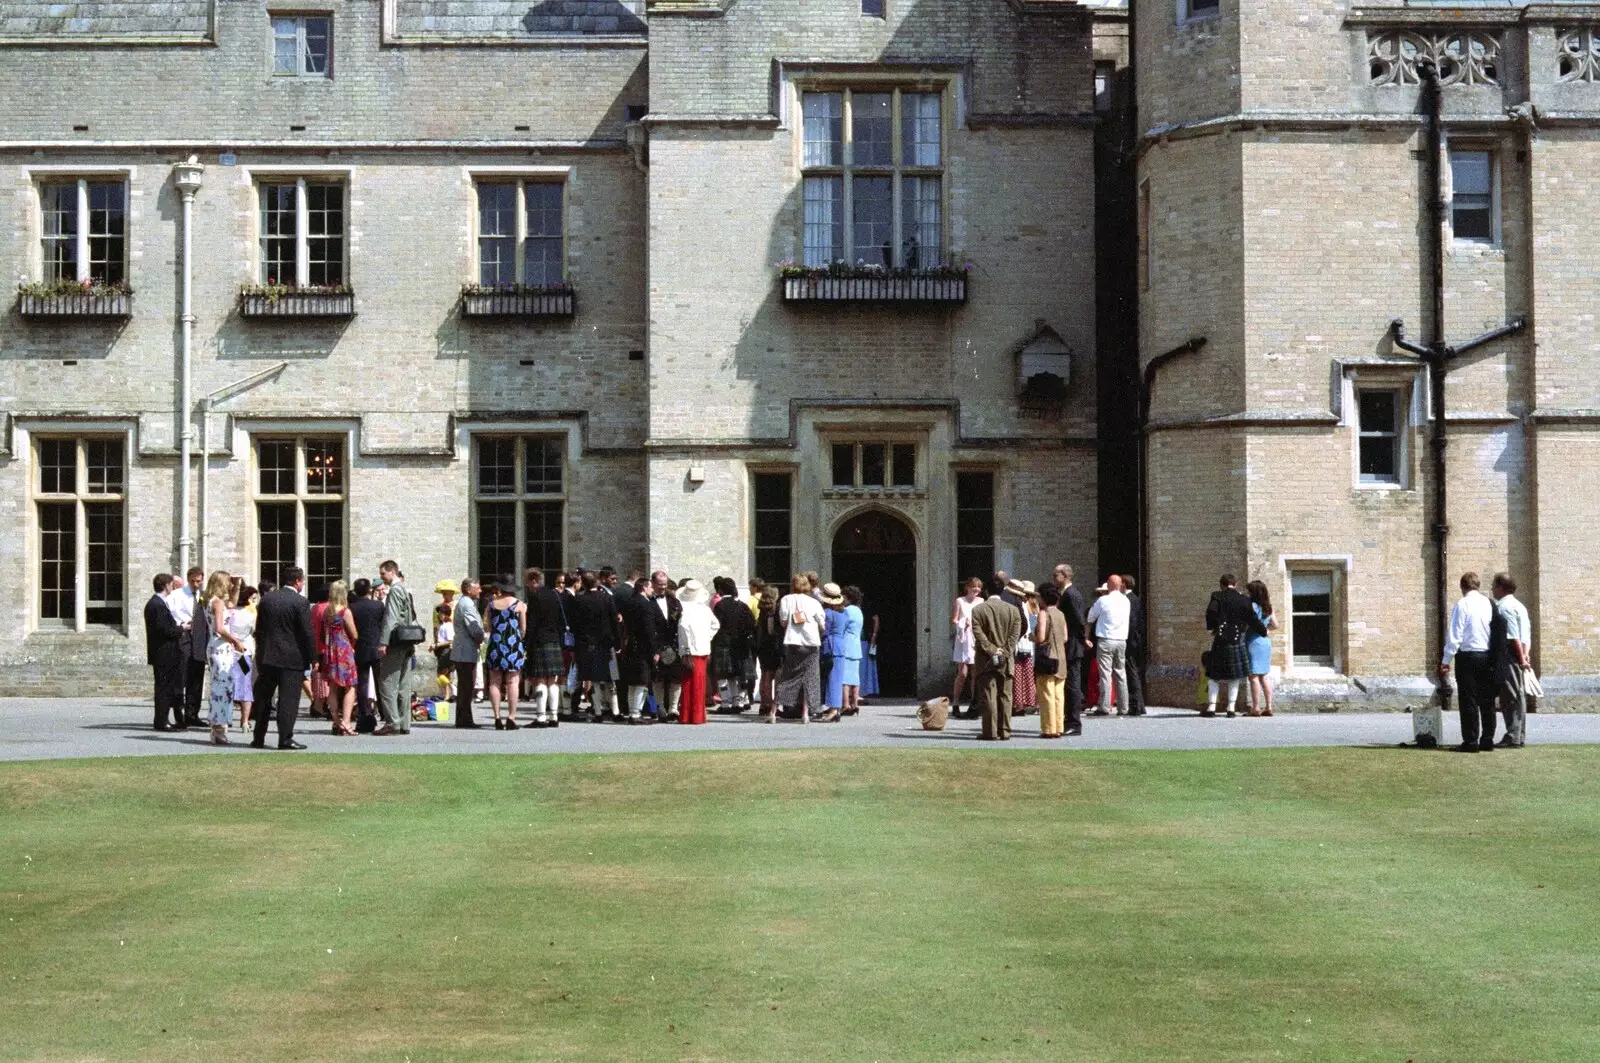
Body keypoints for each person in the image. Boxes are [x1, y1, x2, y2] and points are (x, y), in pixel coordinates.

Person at [251, 567, 314, 750]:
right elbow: (306, 632)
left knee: (264, 698)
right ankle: (285, 738)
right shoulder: (300, 602)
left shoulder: (267, 600)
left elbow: (259, 629)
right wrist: (313, 657)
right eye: (302, 581)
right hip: (291, 657)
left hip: (267, 656)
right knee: (288, 700)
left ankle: (258, 737)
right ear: (297, 581)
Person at [1441, 571, 1496, 752]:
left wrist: (1446, 660)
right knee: (1487, 699)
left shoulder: (1462, 604)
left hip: (1468, 656)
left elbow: (1455, 635)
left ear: (1462, 586)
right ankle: (1487, 739)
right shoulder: (1489, 603)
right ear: (1478, 586)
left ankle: (1471, 741)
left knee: (1469, 700)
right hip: (1487, 655)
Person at [1203, 574, 1268, 718]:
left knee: (1214, 675)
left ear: (1221, 584)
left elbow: (1211, 613)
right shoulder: (1244, 600)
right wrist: (1263, 631)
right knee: (1235, 676)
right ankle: (1231, 709)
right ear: (1236, 584)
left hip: (1220, 639)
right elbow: (1253, 619)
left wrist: (1211, 628)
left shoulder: (1217, 596)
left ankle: (1211, 708)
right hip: (1237, 639)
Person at [972, 580, 1023, 740]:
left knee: (989, 696)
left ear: (986, 592)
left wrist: (993, 650)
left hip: (985, 659)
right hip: (1006, 660)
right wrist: (1004, 652)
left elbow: (978, 635)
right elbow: (1015, 635)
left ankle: (990, 732)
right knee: (1006, 696)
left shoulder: (978, 610)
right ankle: (1005, 730)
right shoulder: (1013, 610)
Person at [568, 570, 620, 720]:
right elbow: (614, 622)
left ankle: (598, 711)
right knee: (610, 678)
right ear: (597, 582)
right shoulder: (606, 598)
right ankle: (615, 711)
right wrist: (617, 642)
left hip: (585, 644)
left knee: (593, 679)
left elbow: (574, 624)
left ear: (583, 583)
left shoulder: (578, 600)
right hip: (605, 643)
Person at [375, 560, 419, 736]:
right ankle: (404, 722)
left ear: (392, 572)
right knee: (403, 684)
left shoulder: (394, 591)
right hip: (407, 641)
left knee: (386, 683)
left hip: (396, 642)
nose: (381, 577)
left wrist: (383, 642)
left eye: (383, 574)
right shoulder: (405, 590)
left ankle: (392, 723)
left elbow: (391, 618)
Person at [202, 571, 245, 745]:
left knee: (222, 686)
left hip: (216, 646)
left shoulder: (210, 601)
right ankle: (218, 728)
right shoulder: (217, 603)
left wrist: (237, 585)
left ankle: (218, 726)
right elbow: (220, 628)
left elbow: (233, 603)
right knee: (222, 688)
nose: (229, 585)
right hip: (221, 647)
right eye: (227, 582)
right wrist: (235, 641)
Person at [776, 573, 825, 724]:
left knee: (788, 677)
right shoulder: (814, 602)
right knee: (810, 678)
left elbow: (783, 620)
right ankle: (806, 713)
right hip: (811, 643)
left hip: (793, 641)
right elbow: (822, 623)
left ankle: (775, 710)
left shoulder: (786, 599)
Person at [1491, 572, 1532, 749]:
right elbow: (1526, 635)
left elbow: (1513, 636)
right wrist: (1525, 654)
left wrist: (1521, 658)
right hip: (1520, 653)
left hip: (1510, 654)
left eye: (1494, 586)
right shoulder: (1520, 606)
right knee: (1518, 694)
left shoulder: (1504, 607)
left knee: (1511, 695)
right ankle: (1518, 735)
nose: (1492, 589)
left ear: (1501, 588)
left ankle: (1513, 736)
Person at [523, 568, 567, 727]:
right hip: (554, 639)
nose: (526, 585)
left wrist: (526, 643)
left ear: (534, 580)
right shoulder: (554, 594)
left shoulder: (535, 597)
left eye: (527, 581)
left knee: (540, 679)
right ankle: (554, 717)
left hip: (540, 641)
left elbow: (532, 623)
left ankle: (541, 717)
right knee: (553, 680)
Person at [483, 575, 528, 730]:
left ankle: (497, 717)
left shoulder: (491, 605)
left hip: (496, 644)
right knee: (513, 682)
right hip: (513, 645)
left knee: (494, 681)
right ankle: (511, 716)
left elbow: (487, 627)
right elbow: (523, 629)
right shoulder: (520, 605)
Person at [675, 579, 720, 725]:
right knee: (700, 683)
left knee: (688, 684)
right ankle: (698, 716)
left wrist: (685, 647)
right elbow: (715, 625)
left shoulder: (684, 609)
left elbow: (683, 629)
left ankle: (687, 715)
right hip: (703, 648)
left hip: (689, 649)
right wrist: (706, 637)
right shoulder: (705, 609)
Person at [168, 565, 208, 727]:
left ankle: (193, 714)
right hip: (183, 638)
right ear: (188, 579)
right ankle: (179, 715)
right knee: (181, 678)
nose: (196, 584)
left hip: (198, 640)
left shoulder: (204, 596)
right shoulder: (177, 595)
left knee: (196, 679)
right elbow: (170, 612)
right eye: (193, 581)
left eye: (198, 581)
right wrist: (181, 624)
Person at [1086, 575, 1132, 717]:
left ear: (1109, 585)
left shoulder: (1103, 600)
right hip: (1121, 640)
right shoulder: (1126, 601)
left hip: (1106, 639)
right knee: (1120, 673)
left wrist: (1086, 636)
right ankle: (1124, 706)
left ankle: (1104, 706)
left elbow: (1090, 617)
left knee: (1105, 673)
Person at [144, 573, 185, 731]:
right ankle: (161, 721)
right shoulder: (157, 605)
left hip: (165, 653)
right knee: (163, 689)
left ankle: (163, 719)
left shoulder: (158, 603)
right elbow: (164, 630)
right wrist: (182, 628)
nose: (172, 587)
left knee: (165, 687)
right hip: (164, 653)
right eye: (171, 584)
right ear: (166, 585)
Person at [1054, 564, 1092, 728]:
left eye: (1056, 575)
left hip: (1073, 645)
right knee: (1068, 682)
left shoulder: (1071, 594)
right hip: (1069, 644)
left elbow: (1078, 619)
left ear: (1065, 575)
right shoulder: (1064, 593)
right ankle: (1068, 718)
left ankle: (1074, 722)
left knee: (1072, 684)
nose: (1054, 578)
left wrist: (1083, 638)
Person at [618, 576, 660, 724]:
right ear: (644, 588)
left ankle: (632, 712)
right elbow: (649, 630)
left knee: (632, 682)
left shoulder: (629, 602)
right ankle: (636, 714)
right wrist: (655, 650)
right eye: (650, 587)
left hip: (630, 645)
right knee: (642, 682)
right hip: (643, 647)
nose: (652, 590)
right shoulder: (646, 604)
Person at [711, 576, 755, 712]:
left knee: (723, 674)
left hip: (723, 642)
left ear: (721, 590)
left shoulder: (719, 606)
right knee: (737, 674)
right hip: (740, 644)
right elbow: (751, 623)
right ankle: (738, 702)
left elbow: (715, 625)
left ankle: (725, 703)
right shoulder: (742, 606)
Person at [322, 580, 360, 736]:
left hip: (330, 649)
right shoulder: (345, 611)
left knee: (332, 687)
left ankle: (336, 721)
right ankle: (346, 721)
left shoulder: (327, 611)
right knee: (350, 686)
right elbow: (354, 634)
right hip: (343, 650)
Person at [349, 578, 385, 733]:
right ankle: (384, 712)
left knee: (362, 683)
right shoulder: (378, 606)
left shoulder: (352, 607)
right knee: (380, 682)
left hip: (360, 647)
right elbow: (383, 625)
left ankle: (365, 712)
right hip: (377, 647)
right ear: (370, 590)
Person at [1034, 584, 1070, 738]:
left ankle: (1049, 728)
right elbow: (1066, 637)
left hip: (1047, 657)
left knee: (1046, 694)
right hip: (1061, 657)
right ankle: (1059, 726)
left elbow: (1041, 637)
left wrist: (1032, 637)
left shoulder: (1043, 613)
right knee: (1058, 695)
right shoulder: (1061, 614)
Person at [649, 569, 685, 721]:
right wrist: (654, 649)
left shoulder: (674, 601)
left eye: (664, 584)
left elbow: (680, 622)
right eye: (659, 584)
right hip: (657, 645)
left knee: (676, 678)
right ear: (653, 584)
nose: (663, 587)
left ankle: (673, 708)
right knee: (658, 679)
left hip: (674, 645)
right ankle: (660, 708)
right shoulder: (648, 602)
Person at [450, 578, 485, 728]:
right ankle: (464, 718)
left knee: (466, 685)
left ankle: (464, 717)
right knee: (466, 685)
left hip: (464, 649)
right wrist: (481, 636)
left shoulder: (465, 603)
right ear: (469, 589)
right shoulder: (467, 605)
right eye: (477, 588)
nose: (480, 590)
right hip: (465, 650)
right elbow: (474, 627)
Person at [950, 577, 983, 717]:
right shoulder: (960, 601)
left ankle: (973, 703)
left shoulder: (981, 602)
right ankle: (955, 702)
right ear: (967, 587)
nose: (976, 589)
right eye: (973, 586)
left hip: (976, 637)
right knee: (962, 673)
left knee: (975, 674)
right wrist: (963, 622)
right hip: (964, 638)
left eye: (979, 587)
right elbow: (954, 619)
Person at [1244, 579, 1277, 717]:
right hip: (1265, 642)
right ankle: (1269, 706)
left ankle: (1256, 707)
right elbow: (1275, 625)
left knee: (1253, 676)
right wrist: (1266, 630)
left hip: (1253, 641)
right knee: (1264, 676)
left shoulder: (1251, 606)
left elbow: (1246, 625)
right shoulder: (1268, 607)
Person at [229, 584, 258, 733]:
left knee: (229, 684)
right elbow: (253, 631)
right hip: (244, 652)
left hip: (229, 651)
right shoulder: (250, 615)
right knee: (245, 685)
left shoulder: (230, 613)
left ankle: (227, 718)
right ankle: (245, 721)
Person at [754, 586, 784, 718]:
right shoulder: (773, 610)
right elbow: (772, 630)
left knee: (764, 674)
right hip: (773, 645)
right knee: (773, 675)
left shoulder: (762, 608)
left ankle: (764, 703)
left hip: (762, 645)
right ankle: (771, 704)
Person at [837, 586, 866, 716]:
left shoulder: (847, 611)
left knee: (844, 678)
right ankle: (855, 704)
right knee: (855, 678)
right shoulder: (859, 611)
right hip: (856, 646)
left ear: (848, 598)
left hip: (846, 645)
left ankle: (845, 705)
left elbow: (840, 625)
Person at [1011, 580, 1038, 717]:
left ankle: (1018, 704)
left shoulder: (1021, 605)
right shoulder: (1035, 606)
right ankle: (1028, 702)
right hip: (1030, 644)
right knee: (1027, 674)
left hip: (1021, 642)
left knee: (1018, 674)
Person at [1122, 574, 1147, 716]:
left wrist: (1127, 639)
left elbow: (1132, 622)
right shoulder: (1134, 599)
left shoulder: (1130, 600)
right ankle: (1137, 704)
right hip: (1134, 640)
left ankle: (1136, 705)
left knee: (1132, 672)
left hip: (1130, 641)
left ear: (1124, 584)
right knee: (1132, 671)